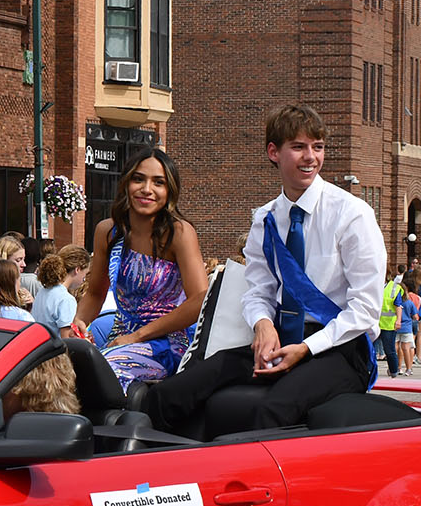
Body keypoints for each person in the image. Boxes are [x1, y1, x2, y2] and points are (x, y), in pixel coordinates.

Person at [146, 105, 383, 432]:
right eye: (299, 147)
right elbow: (258, 292)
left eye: (318, 147)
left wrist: (305, 348)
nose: (310, 157)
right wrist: (262, 326)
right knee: (168, 395)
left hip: (341, 348)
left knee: (272, 410)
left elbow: (366, 311)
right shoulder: (266, 220)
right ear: (274, 152)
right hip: (282, 340)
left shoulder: (353, 215)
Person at [76, 148, 206, 388]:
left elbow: (199, 300)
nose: (147, 189)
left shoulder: (179, 233)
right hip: (119, 339)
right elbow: (95, 293)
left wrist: (137, 337)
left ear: (169, 191)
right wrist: (76, 326)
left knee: (100, 375)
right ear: (126, 183)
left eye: (159, 182)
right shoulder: (108, 231)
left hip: (166, 345)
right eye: (139, 179)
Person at [33, 246, 90, 333]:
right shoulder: (66, 299)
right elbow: (67, 339)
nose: (84, 279)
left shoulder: (42, 291)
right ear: (77, 269)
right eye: (85, 274)